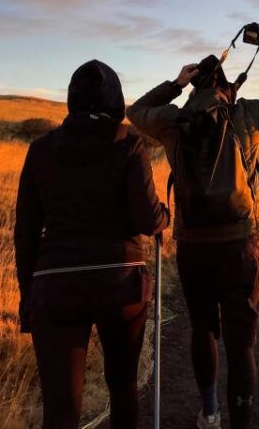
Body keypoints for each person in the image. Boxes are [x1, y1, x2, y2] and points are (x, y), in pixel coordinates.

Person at [126, 30, 259, 429]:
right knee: (241, 342)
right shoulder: (245, 114)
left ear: (193, 87)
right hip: (242, 244)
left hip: (194, 246)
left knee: (203, 330)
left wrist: (174, 84)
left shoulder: (173, 120)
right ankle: (240, 420)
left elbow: (136, 110)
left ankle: (209, 411)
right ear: (227, 87)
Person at [14, 60, 170, 429]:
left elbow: (25, 232)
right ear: (116, 101)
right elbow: (147, 220)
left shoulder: (40, 150)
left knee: (62, 406)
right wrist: (165, 215)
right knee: (123, 385)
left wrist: (28, 299)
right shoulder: (131, 147)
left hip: (57, 286)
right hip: (122, 284)